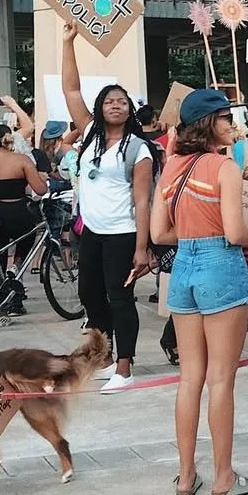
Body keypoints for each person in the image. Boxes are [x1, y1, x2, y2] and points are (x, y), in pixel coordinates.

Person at [152, 88, 248, 495]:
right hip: (221, 264)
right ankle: (224, 477)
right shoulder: (223, 167)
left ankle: (186, 476)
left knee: (190, 379)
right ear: (209, 124)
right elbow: (236, 232)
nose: (232, 126)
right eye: (225, 118)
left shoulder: (170, 168)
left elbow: (157, 234)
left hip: (183, 263)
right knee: (221, 380)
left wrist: (191, 234)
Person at [60, 23, 156, 392]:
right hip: (92, 231)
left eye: (122, 101)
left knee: (120, 299)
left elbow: (142, 199)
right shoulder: (88, 135)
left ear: (130, 109)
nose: (115, 105)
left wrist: (141, 247)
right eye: (108, 101)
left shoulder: (138, 148)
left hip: (123, 232)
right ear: (100, 108)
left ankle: (125, 366)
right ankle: (104, 354)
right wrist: (68, 42)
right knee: (89, 295)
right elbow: (71, 89)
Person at [0, 123, 48, 288]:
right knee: (27, 239)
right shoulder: (22, 160)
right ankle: (16, 266)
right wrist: (43, 179)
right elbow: (39, 190)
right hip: (17, 211)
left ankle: (0, 293)